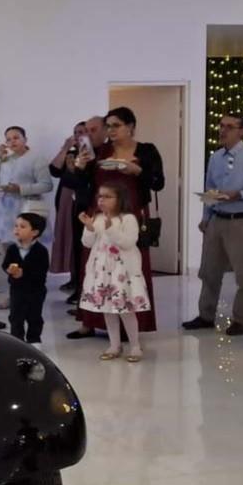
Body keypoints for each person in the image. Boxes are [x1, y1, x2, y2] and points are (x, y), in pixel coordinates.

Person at [67, 107, 164, 339]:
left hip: (130, 215)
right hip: (99, 214)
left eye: (116, 125)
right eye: (108, 126)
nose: (111, 130)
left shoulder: (146, 150)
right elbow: (83, 183)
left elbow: (158, 183)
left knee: (129, 268)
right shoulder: (100, 151)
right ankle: (88, 322)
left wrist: (136, 170)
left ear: (130, 126)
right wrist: (80, 168)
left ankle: (130, 326)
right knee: (93, 266)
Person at [182, 113, 243, 336]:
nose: (223, 130)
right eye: (221, 126)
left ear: (242, 131)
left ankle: (241, 319)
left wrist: (240, 194)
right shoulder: (216, 157)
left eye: (229, 127)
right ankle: (205, 315)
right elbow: (210, 187)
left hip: (242, 222)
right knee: (209, 272)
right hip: (217, 220)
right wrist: (206, 216)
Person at [80, 183, 151, 362]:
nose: (101, 200)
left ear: (119, 200)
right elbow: (87, 243)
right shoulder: (96, 218)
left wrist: (111, 228)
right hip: (102, 272)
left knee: (125, 310)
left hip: (122, 273)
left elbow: (127, 243)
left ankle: (135, 345)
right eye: (100, 196)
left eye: (107, 197)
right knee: (108, 310)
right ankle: (114, 344)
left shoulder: (128, 219)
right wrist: (89, 228)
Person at [0, 126, 53, 308]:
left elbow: (47, 185)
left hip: (27, 208)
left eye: (16, 137)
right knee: (11, 255)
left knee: (30, 254)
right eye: (8, 139)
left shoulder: (36, 159)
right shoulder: (5, 160)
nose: (12, 142)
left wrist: (21, 188)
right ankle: (13, 295)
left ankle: (32, 292)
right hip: (6, 211)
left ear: (25, 139)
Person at [56, 115, 110, 306]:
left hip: (104, 211)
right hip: (82, 208)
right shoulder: (81, 153)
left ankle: (97, 298)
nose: (86, 135)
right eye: (84, 131)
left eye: (91, 130)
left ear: (105, 131)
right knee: (81, 251)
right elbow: (68, 181)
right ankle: (80, 293)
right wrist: (76, 168)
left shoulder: (109, 152)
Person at [49, 121, 89, 281]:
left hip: (82, 199)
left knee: (80, 239)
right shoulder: (70, 153)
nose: (78, 136)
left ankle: (80, 280)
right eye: (76, 132)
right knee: (68, 236)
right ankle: (73, 278)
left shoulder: (91, 154)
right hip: (66, 199)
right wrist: (65, 148)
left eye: (82, 132)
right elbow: (54, 170)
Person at [2, 213, 49, 344]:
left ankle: (34, 340)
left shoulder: (41, 251)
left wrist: (24, 274)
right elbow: (5, 264)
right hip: (17, 289)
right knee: (15, 317)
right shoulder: (12, 249)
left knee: (34, 316)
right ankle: (17, 342)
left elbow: (41, 272)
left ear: (34, 232)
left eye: (22, 227)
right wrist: (9, 270)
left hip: (35, 291)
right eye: (16, 226)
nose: (17, 229)